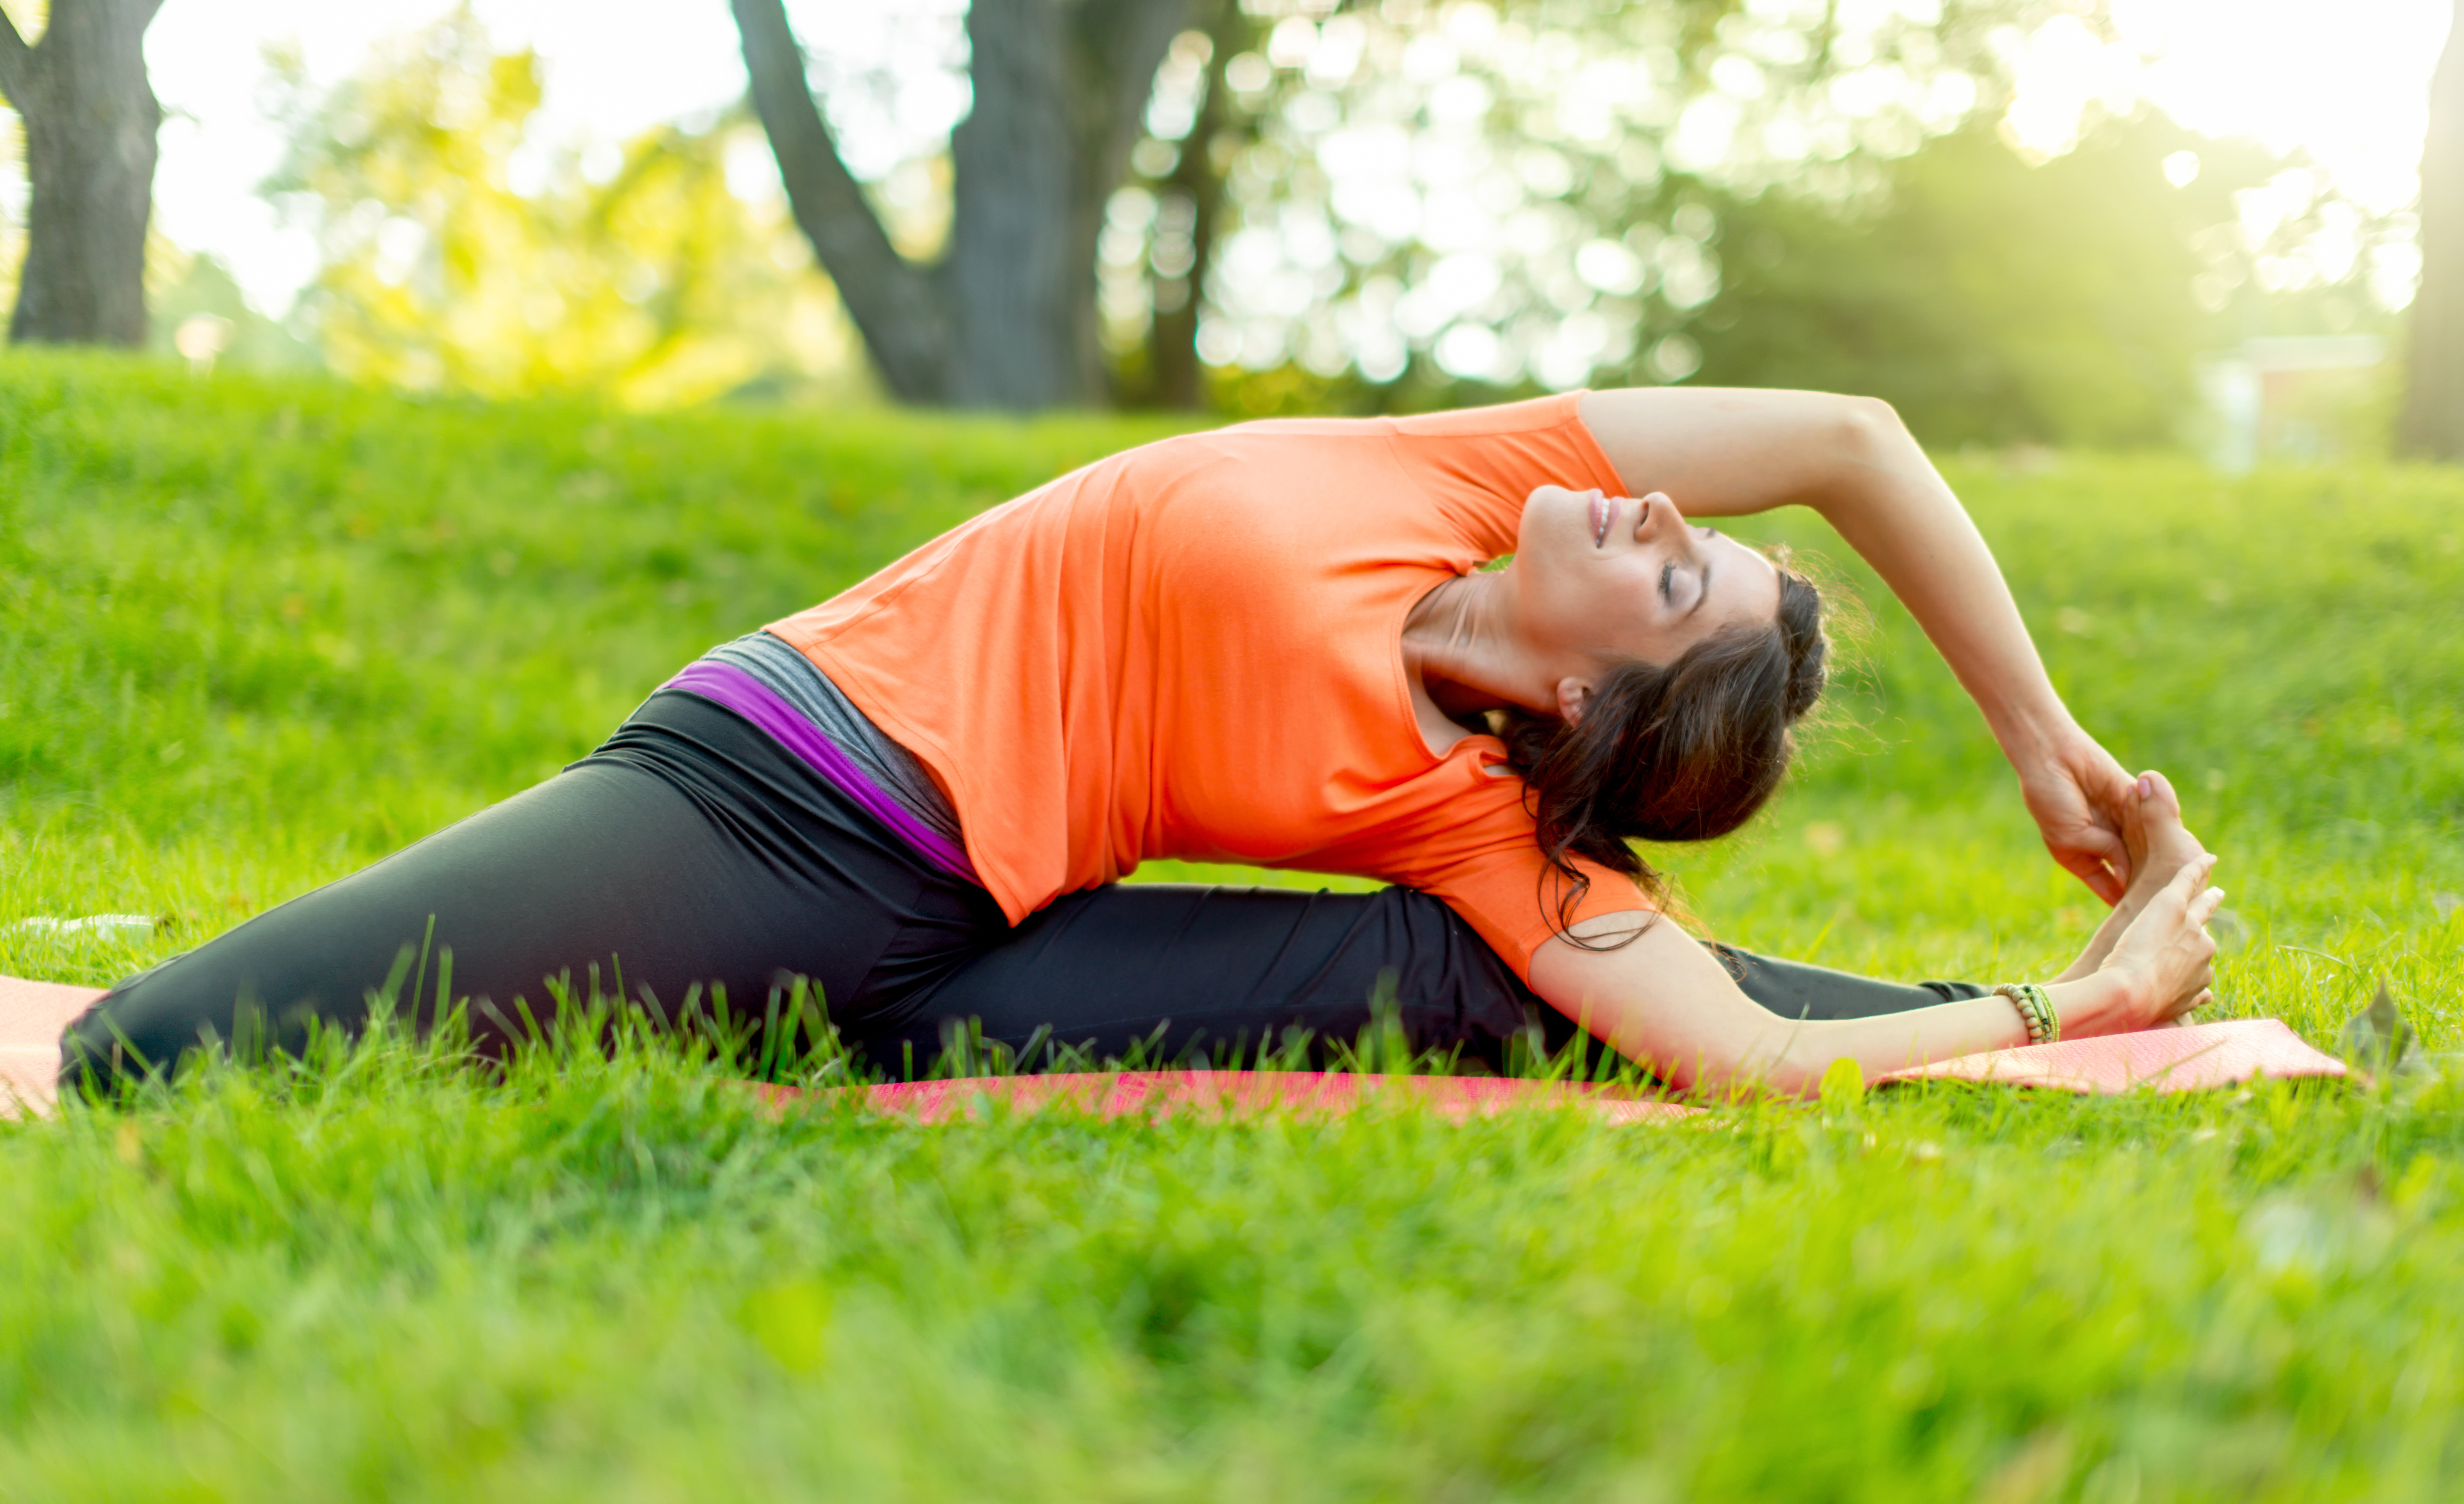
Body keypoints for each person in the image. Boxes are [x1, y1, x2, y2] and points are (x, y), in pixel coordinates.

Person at [56, 389, 2223, 1100]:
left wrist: (2067, 1001)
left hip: (949, 927)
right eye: (1695, 542)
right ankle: (2041, 1024)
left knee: (1491, 986)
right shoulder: (1474, 472)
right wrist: (2043, 741)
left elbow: (1728, 1049)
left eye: (1674, 582)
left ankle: (2042, 1040)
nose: (1668, 516)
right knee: (173, 1049)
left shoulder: (1460, 806)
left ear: (1579, 704)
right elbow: (1849, 441)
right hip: (763, 795)